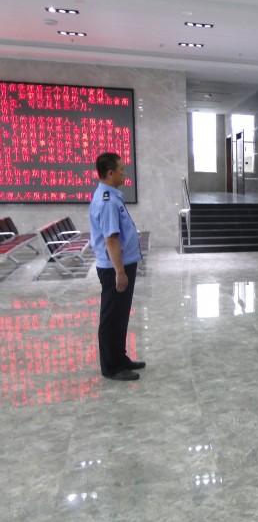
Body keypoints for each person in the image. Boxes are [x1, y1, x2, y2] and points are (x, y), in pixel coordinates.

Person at [89, 152, 145, 381]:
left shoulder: (113, 196)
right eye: (121, 169)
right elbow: (111, 239)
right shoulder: (107, 201)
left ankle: (120, 359)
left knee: (120, 315)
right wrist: (120, 271)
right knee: (112, 317)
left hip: (122, 264)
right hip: (114, 267)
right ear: (110, 173)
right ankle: (112, 367)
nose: (125, 172)